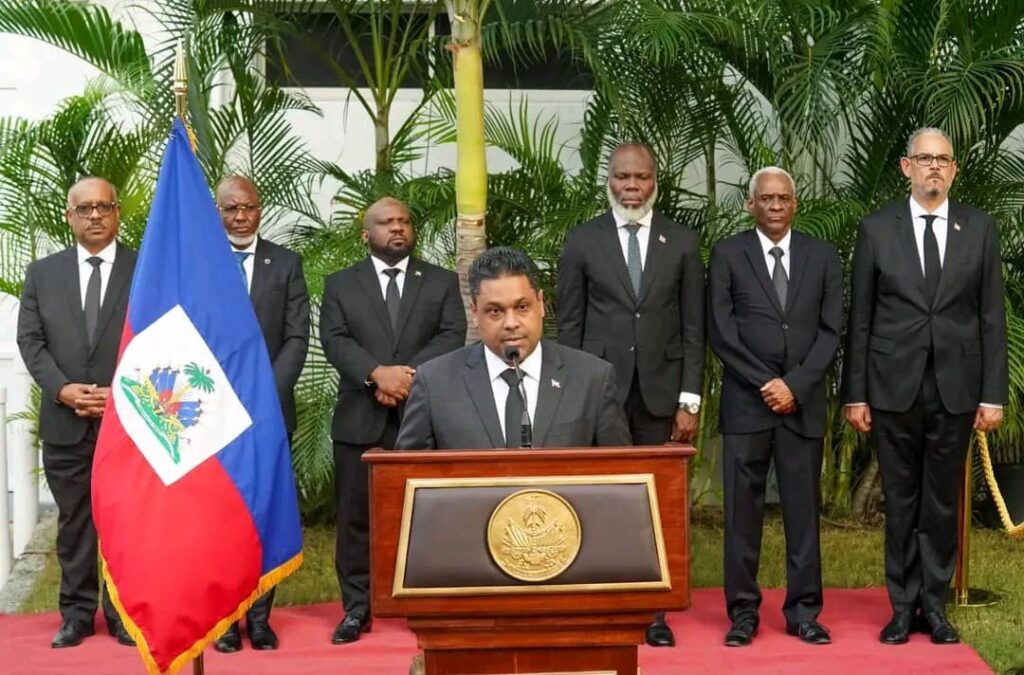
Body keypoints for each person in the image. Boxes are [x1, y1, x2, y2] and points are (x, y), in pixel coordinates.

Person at [842, 128, 1007, 646]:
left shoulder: (979, 229)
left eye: (943, 159)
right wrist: (855, 394)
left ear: (954, 170)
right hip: (893, 388)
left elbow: (991, 316)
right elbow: (861, 318)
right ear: (906, 166)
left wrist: (992, 395)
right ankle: (901, 607)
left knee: (940, 504)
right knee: (900, 500)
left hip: (956, 389)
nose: (934, 166)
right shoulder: (876, 230)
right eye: (925, 158)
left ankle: (934, 607)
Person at [556, 141, 704, 646]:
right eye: (623, 177)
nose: (632, 186)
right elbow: (570, 325)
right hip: (599, 393)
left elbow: (694, 329)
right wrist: (568, 396)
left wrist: (689, 400)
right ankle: (597, 604)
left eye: (641, 177)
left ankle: (653, 612)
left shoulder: (681, 242)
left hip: (660, 395)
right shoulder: (582, 240)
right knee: (596, 499)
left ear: (655, 180)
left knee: (654, 504)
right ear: (610, 180)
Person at [320, 197, 467, 644]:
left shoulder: (440, 281)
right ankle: (357, 608)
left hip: (423, 417)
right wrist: (375, 374)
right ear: (367, 234)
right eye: (386, 222)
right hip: (359, 419)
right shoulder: (341, 284)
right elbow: (334, 339)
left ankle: (429, 603)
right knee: (356, 520)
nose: (397, 228)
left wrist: (406, 377)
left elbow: (452, 333)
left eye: (404, 221)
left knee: (429, 514)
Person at [708, 167, 842, 647]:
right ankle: (743, 613)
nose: (776, 205)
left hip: (801, 407)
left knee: (802, 514)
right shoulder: (728, 254)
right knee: (742, 516)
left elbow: (831, 332)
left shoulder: (822, 256)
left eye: (784, 198)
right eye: (766, 198)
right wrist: (767, 383)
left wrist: (795, 385)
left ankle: (804, 612)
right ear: (750, 204)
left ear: (795, 203)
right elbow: (722, 331)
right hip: (748, 405)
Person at [16, 177, 136, 648]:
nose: (94, 216)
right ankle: (77, 614)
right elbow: (31, 340)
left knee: (124, 523)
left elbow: (161, 335)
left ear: (117, 212)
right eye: (84, 209)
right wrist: (63, 389)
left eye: (103, 206)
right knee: (74, 524)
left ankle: (124, 613)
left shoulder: (144, 269)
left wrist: (123, 393)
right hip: (65, 422)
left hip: (127, 422)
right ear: (70, 216)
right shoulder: (43, 274)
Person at [395, 247, 631, 450]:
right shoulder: (434, 382)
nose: (511, 323)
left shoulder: (593, 378)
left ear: (540, 304)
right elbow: (406, 476)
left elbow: (622, 474)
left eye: (522, 307)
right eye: (495, 311)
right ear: (474, 312)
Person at [212, 176, 310, 653]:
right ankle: (224, 619)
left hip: (269, 414)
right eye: (230, 209)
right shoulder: (201, 264)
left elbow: (296, 337)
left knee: (265, 513)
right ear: (217, 212)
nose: (240, 216)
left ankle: (260, 617)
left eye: (248, 207)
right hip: (213, 417)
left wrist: (264, 397)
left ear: (260, 209)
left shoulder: (285, 263)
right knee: (220, 518)